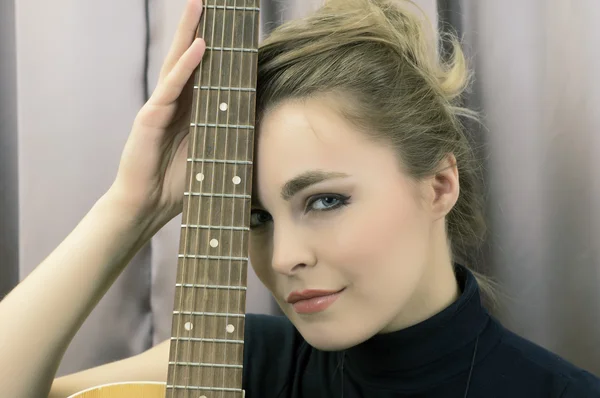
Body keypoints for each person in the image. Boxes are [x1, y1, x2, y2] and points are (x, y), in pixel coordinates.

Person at [1, 0, 599, 396]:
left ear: (439, 184)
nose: (283, 258)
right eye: (255, 216)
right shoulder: (242, 364)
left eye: (324, 201)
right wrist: (134, 204)